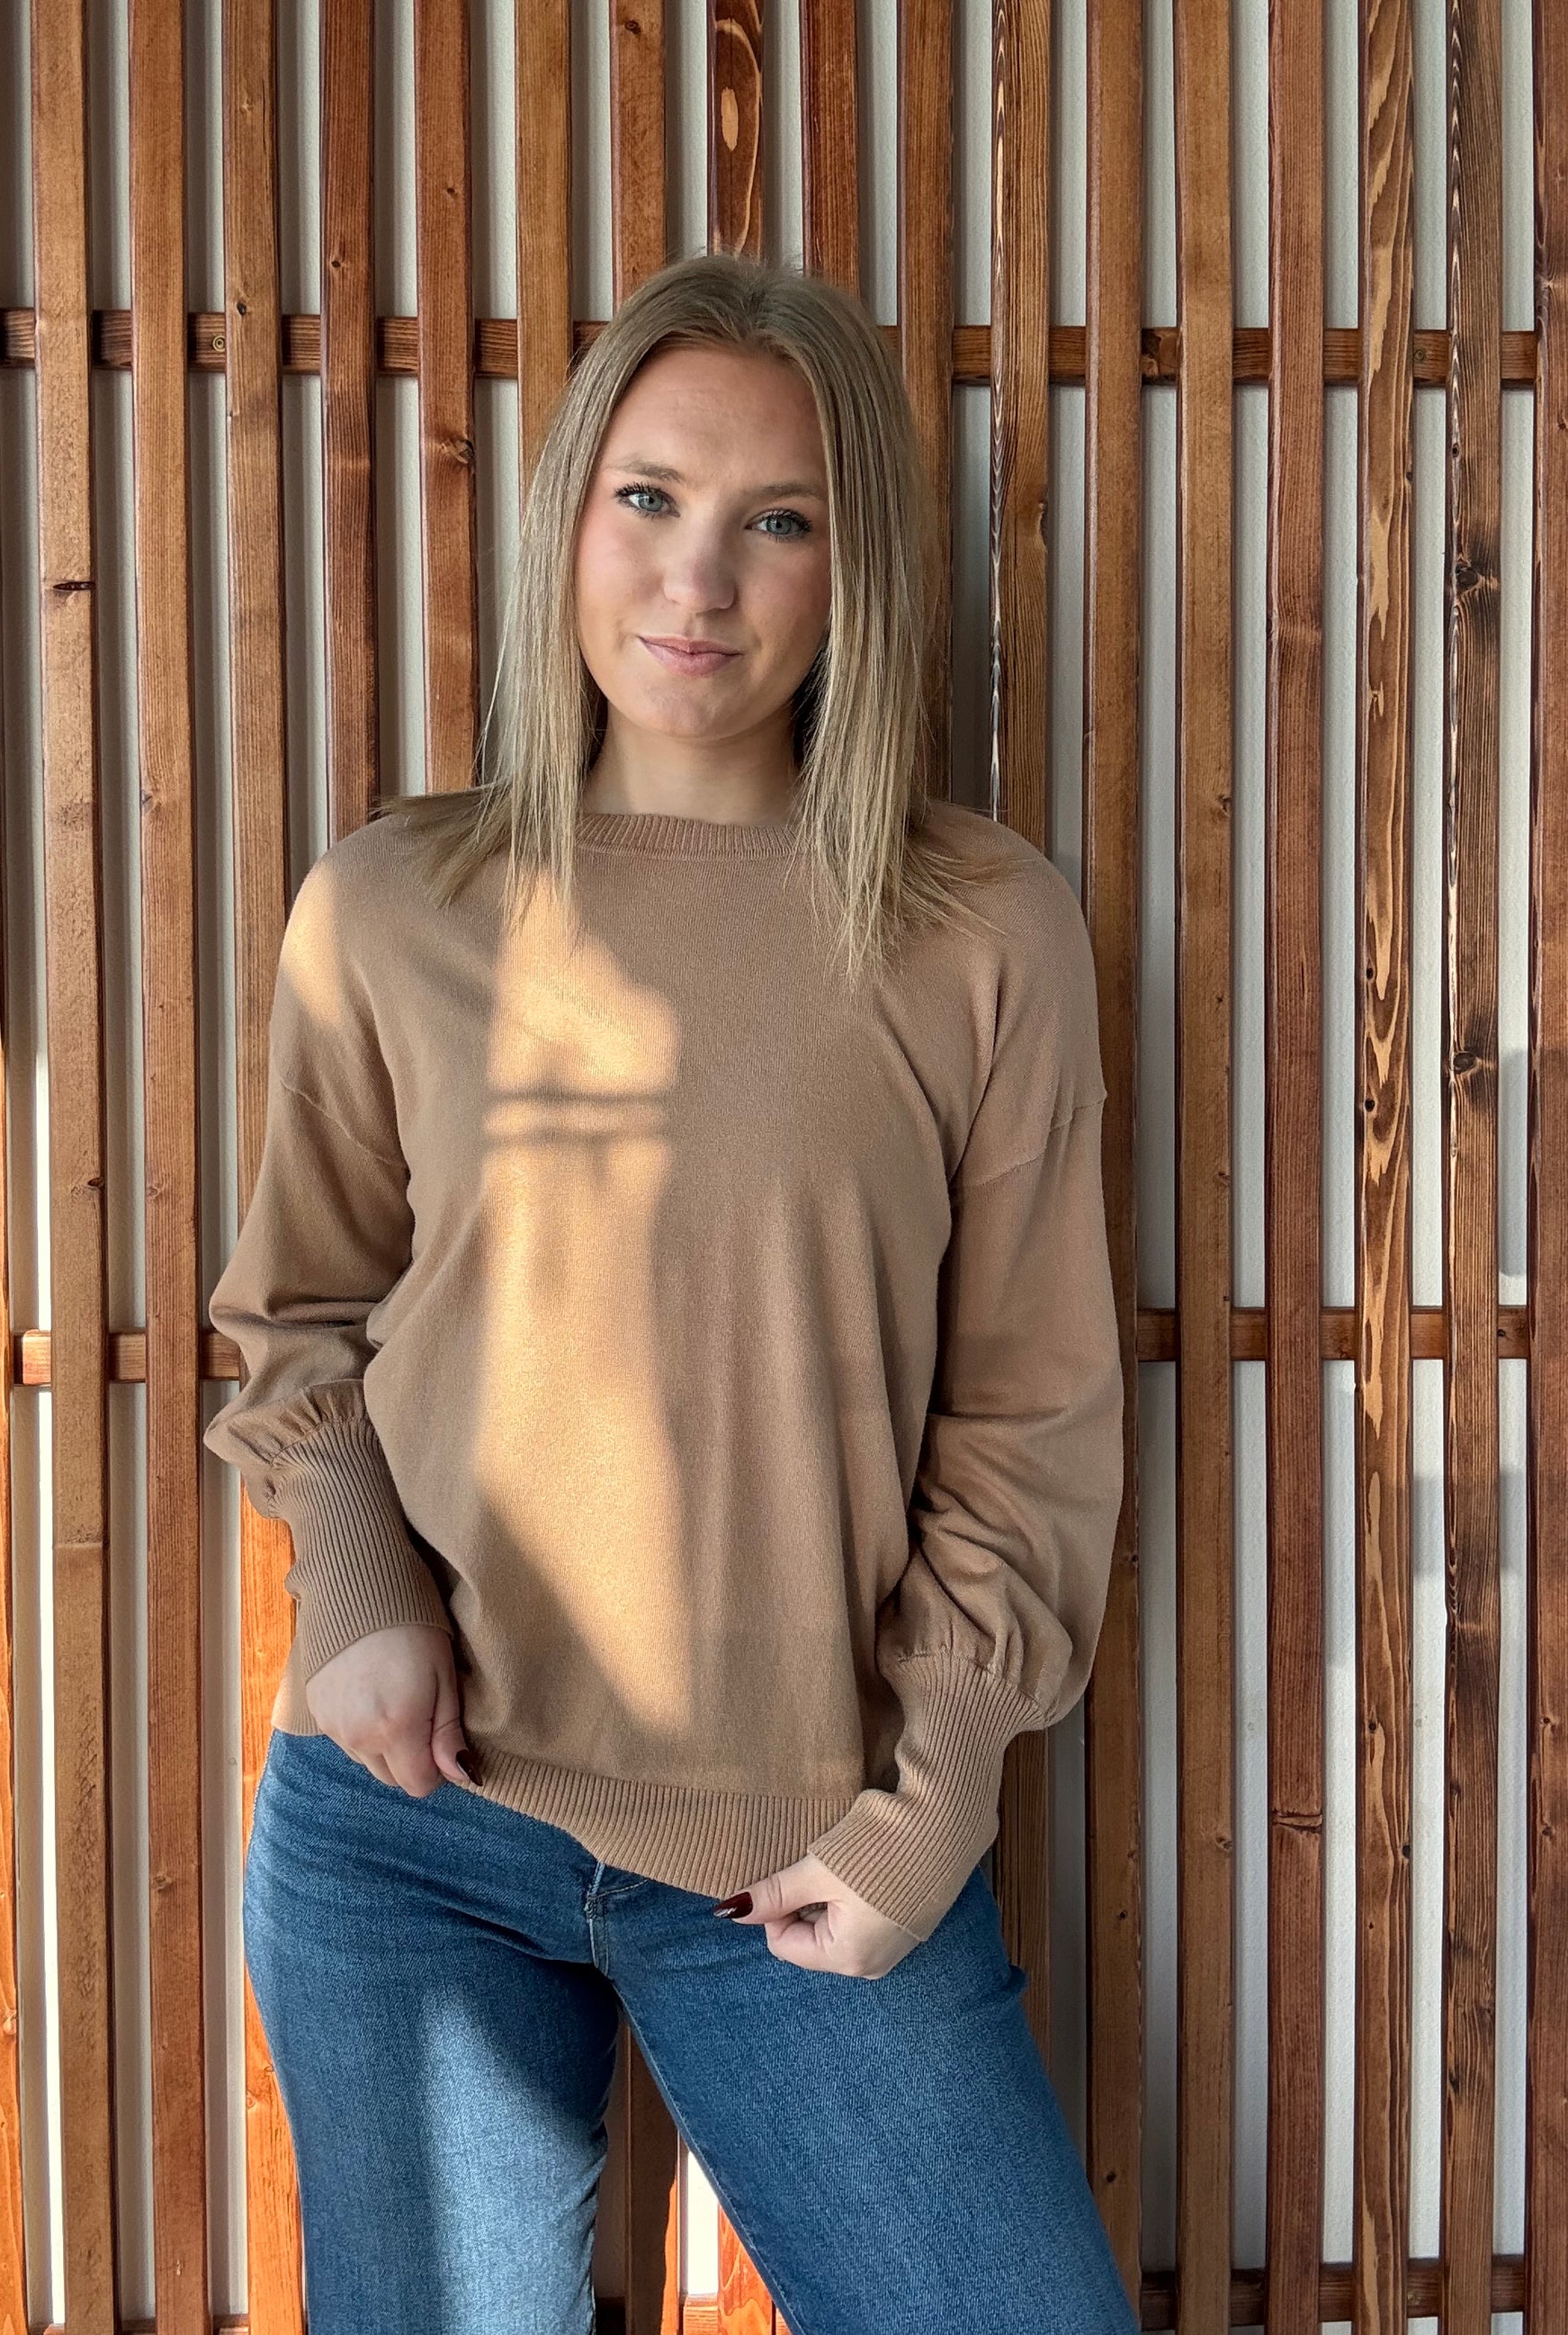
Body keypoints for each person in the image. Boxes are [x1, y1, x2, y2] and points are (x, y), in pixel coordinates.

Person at [205, 251, 1137, 2335]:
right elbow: (297, 1313)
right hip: (411, 1835)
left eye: (773, 520)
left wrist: (932, 1790)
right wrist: (355, 1585)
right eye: (648, 497)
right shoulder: (391, 904)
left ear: (851, 569)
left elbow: (1032, 1404)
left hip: (809, 1837)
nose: (694, 581)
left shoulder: (980, 928)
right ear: (570, 514)